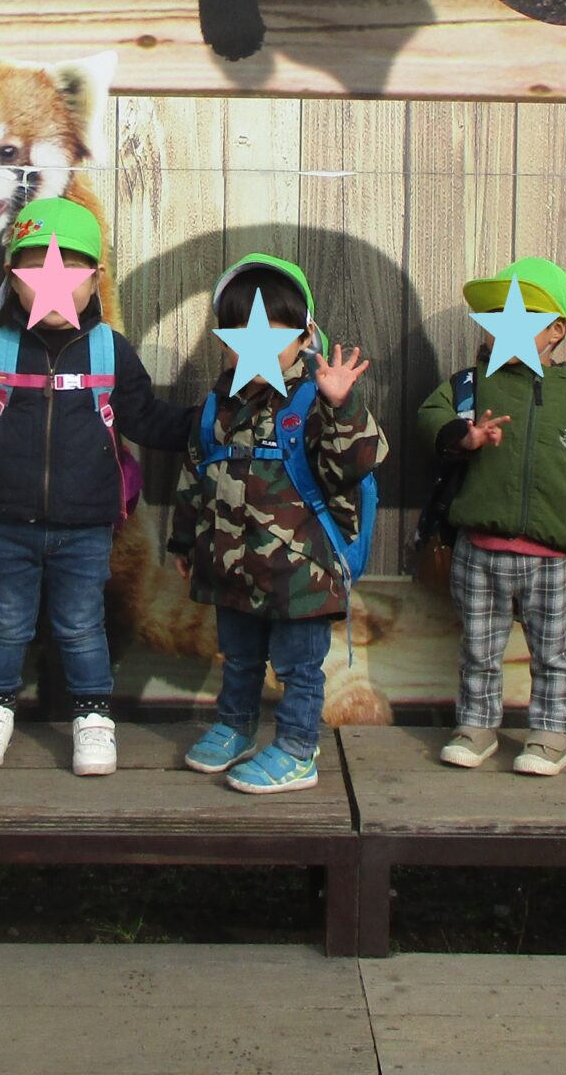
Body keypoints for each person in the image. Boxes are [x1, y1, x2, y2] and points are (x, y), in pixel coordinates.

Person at [0, 196, 196, 777]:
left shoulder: (108, 351)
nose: (54, 284)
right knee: (4, 623)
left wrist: (211, 420)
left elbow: (147, 418)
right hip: (5, 525)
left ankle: (92, 718)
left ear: (95, 280)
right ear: (11, 279)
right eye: (35, 269)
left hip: (86, 529)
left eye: (72, 270)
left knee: (80, 625)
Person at [169, 254, 383, 796]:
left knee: (298, 669)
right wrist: (183, 538)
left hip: (301, 571)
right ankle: (235, 726)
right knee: (238, 656)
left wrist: (342, 406)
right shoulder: (218, 404)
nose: (254, 342)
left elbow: (352, 466)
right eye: (238, 330)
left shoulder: (316, 398)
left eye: (272, 329)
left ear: (306, 333)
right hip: (233, 566)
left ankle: (295, 748)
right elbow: (195, 473)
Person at [415, 256, 566, 779]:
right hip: (479, 550)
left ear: (556, 330)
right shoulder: (471, 384)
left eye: (522, 313)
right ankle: (476, 725)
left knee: (552, 652)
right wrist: (464, 436)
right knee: (479, 648)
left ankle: (551, 732)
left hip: (552, 560)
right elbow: (430, 416)